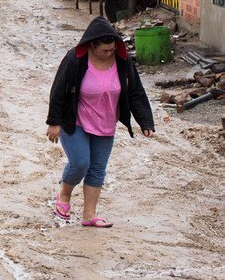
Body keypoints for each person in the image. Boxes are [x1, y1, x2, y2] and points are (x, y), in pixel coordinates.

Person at [46, 17, 155, 228]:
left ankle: (89, 215)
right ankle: (64, 195)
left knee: (97, 169)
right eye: (104, 51)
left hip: (105, 122)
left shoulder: (123, 61)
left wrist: (145, 122)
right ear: (92, 46)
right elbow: (58, 90)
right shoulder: (75, 59)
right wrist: (54, 122)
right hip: (75, 120)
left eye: (112, 50)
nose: (108, 54)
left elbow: (135, 92)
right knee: (80, 162)